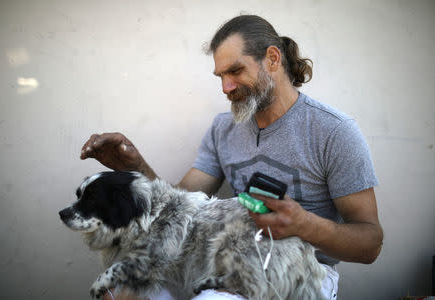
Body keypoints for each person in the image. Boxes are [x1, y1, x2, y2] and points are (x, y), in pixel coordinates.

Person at [81, 15, 383, 300]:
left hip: (304, 274)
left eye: (235, 71)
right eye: (221, 76)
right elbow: (179, 204)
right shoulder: (223, 128)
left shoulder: (333, 131)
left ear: (273, 59)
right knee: (119, 291)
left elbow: (370, 244)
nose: (226, 87)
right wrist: (135, 169)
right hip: (228, 258)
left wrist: (302, 224)